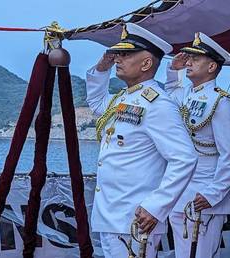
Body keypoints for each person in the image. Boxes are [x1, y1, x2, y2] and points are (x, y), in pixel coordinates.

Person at [85, 23, 198, 258]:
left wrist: (156, 206)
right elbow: (96, 105)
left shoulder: (158, 104)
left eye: (126, 55)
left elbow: (184, 158)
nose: (118, 58)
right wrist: (101, 69)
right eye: (119, 53)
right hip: (112, 215)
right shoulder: (125, 97)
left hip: (136, 217)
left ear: (146, 63)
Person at [164, 32, 230, 258]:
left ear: (211, 67)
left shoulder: (221, 102)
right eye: (189, 58)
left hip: (204, 196)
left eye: (195, 59)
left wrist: (213, 193)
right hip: (180, 192)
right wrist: (173, 70)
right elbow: (169, 98)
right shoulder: (185, 94)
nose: (188, 62)